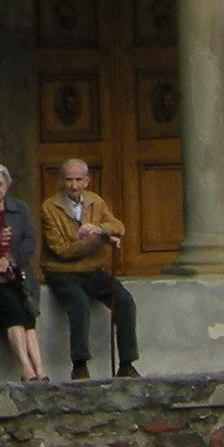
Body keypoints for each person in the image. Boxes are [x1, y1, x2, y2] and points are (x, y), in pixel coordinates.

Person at [37, 158, 140, 380]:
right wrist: (97, 240)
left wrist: (99, 229)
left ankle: (127, 363)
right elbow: (61, 250)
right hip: (62, 271)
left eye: (78, 180)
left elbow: (118, 226)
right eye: (68, 180)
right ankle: (80, 364)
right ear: (61, 181)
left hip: (92, 269)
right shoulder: (49, 207)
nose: (73, 185)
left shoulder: (96, 202)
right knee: (79, 303)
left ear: (87, 181)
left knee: (124, 300)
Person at [0, 161, 49, 383]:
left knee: (28, 315)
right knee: (13, 312)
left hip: (19, 275)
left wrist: (9, 258)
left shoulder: (20, 209)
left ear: (7, 185)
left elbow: (29, 241)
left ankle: (40, 370)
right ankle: (26, 369)